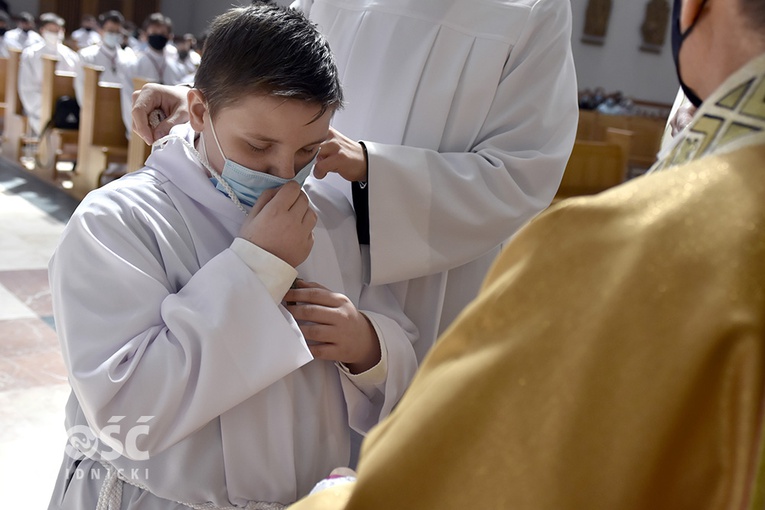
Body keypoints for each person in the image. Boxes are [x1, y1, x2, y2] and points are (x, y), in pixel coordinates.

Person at [286, 0, 765, 507]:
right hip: (305, 254)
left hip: (431, 290)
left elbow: (524, 172)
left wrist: (376, 170)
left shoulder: (623, 250)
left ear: (694, 9)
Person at [47, 5, 418, 509]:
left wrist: (367, 348)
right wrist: (258, 267)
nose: (284, 174)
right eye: (258, 145)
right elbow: (124, 415)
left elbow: (398, 343)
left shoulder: (329, 214)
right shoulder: (120, 220)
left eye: (307, 151)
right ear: (199, 111)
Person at [133, 0, 579, 363]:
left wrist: (374, 168)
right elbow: (275, 65)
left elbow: (522, 173)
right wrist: (208, 106)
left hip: (428, 273)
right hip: (299, 233)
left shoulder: (530, 10)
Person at [74, 10, 137, 135]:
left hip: (122, 114)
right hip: (96, 114)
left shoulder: (129, 59)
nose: (114, 35)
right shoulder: (87, 56)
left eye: (117, 32)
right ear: (101, 31)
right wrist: (90, 112)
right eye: (110, 31)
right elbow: (81, 87)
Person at [18, 12, 79, 136]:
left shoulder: (72, 56)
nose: (54, 34)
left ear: (62, 31)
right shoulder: (30, 54)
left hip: (64, 106)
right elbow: (26, 86)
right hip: (38, 105)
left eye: (57, 30)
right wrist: (45, 106)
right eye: (50, 30)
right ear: (42, 30)